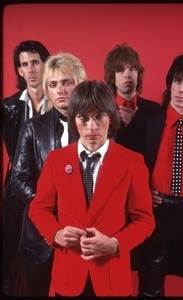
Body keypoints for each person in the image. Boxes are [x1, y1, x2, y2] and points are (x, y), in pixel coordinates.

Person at [28, 79, 155, 297]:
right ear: (73, 119)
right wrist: (55, 233)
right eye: (83, 118)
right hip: (68, 278)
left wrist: (115, 244)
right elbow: (38, 208)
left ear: (111, 117)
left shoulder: (133, 162)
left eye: (99, 116)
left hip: (112, 279)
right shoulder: (56, 160)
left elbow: (145, 220)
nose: (91, 127)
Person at [10, 52, 87, 296]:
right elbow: (18, 179)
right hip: (38, 234)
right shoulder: (33, 128)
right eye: (53, 85)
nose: (60, 90)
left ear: (80, 83)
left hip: (82, 234)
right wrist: (48, 208)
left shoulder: (98, 125)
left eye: (67, 82)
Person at [129, 50, 183, 297]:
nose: (181, 89)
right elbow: (126, 163)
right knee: (150, 282)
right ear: (170, 83)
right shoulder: (148, 118)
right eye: (177, 81)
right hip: (157, 212)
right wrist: (142, 193)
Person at [0, 40, 50, 291]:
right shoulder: (9, 106)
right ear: (19, 71)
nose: (30, 70)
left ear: (45, 64)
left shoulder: (61, 101)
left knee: (45, 255)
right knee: (12, 250)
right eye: (24, 65)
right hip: (17, 187)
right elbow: (13, 151)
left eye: (35, 63)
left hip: (51, 185)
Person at [103, 43, 160, 148]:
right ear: (112, 76)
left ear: (138, 73)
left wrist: (138, 121)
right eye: (121, 70)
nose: (127, 75)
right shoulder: (103, 110)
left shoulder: (155, 110)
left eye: (132, 69)